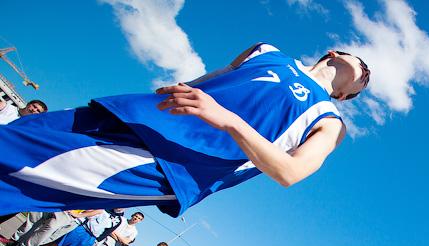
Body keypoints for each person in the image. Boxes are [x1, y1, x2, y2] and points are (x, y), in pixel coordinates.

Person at [0, 45, 369, 216]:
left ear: (343, 94)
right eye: (362, 66)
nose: (365, 74)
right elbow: (218, 77)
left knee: (17, 167)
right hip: (138, 114)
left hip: (173, 161)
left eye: (362, 86)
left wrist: (225, 118)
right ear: (335, 53)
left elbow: (290, 172)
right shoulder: (266, 50)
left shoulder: (329, 121)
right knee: (23, 131)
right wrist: (182, 87)